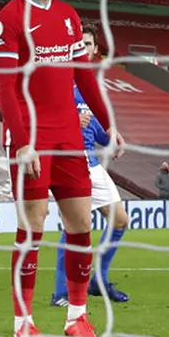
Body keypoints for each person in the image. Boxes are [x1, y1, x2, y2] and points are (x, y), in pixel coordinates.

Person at [0, 0, 122, 337]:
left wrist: (109, 123)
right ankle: (23, 322)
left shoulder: (67, 16)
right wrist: (23, 140)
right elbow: (6, 89)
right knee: (33, 227)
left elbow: (84, 76)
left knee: (80, 223)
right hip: (31, 137)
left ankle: (77, 317)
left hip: (68, 136)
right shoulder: (9, 19)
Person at [51, 32, 131, 306]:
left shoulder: (90, 88)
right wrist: (73, 119)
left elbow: (95, 128)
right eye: (78, 44)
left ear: (96, 49)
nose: (82, 48)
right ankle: (61, 292)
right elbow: (42, 117)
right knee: (75, 226)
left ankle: (98, 280)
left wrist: (113, 138)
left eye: (87, 44)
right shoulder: (58, 80)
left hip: (93, 164)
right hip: (69, 163)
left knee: (120, 220)